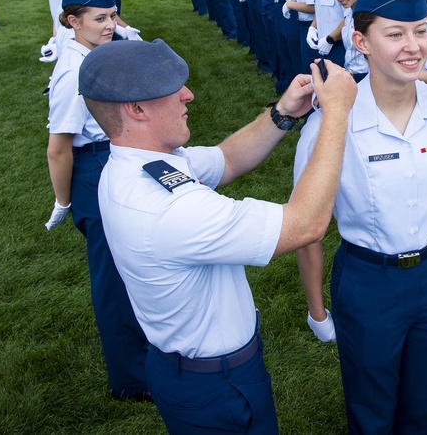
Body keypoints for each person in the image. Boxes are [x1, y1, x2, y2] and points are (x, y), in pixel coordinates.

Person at [81, 38, 356, 434]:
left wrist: (282, 113)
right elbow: (305, 225)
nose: (187, 95)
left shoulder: (142, 162)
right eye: (172, 89)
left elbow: (226, 159)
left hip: (197, 372)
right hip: (214, 386)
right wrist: (337, 114)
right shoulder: (166, 208)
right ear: (136, 109)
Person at [294, 0, 427, 434]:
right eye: (394, 34)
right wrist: (318, 310)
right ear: (361, 41)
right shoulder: (331, 121)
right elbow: (305, 225)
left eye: (420, 31)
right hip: (367, 281)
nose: (412, 46)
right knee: (371, 410)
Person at [43, 0, 151, 402]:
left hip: (110, 161)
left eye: (112, 15)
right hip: (92, 168)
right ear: (72, 21)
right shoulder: (74, 72)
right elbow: (59, 148)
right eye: (99, 18)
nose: (110, 25)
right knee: (112, 277)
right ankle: (131, 378)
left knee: (130, 266)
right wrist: (65, 201)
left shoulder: (94, 53)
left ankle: (143, 355)